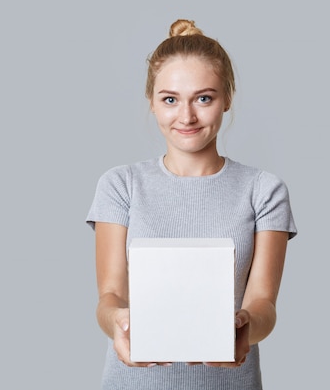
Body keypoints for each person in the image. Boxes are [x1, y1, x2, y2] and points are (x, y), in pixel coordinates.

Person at [85, 19, 297, 390]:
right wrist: (118, 321)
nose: (186, 117)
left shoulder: (263, 190)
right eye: (170, 99)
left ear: (226, 98)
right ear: (152, 102)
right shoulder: (120, 185)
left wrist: (245, 325)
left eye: (204, 98)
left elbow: (263, 302)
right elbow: (110, 295)